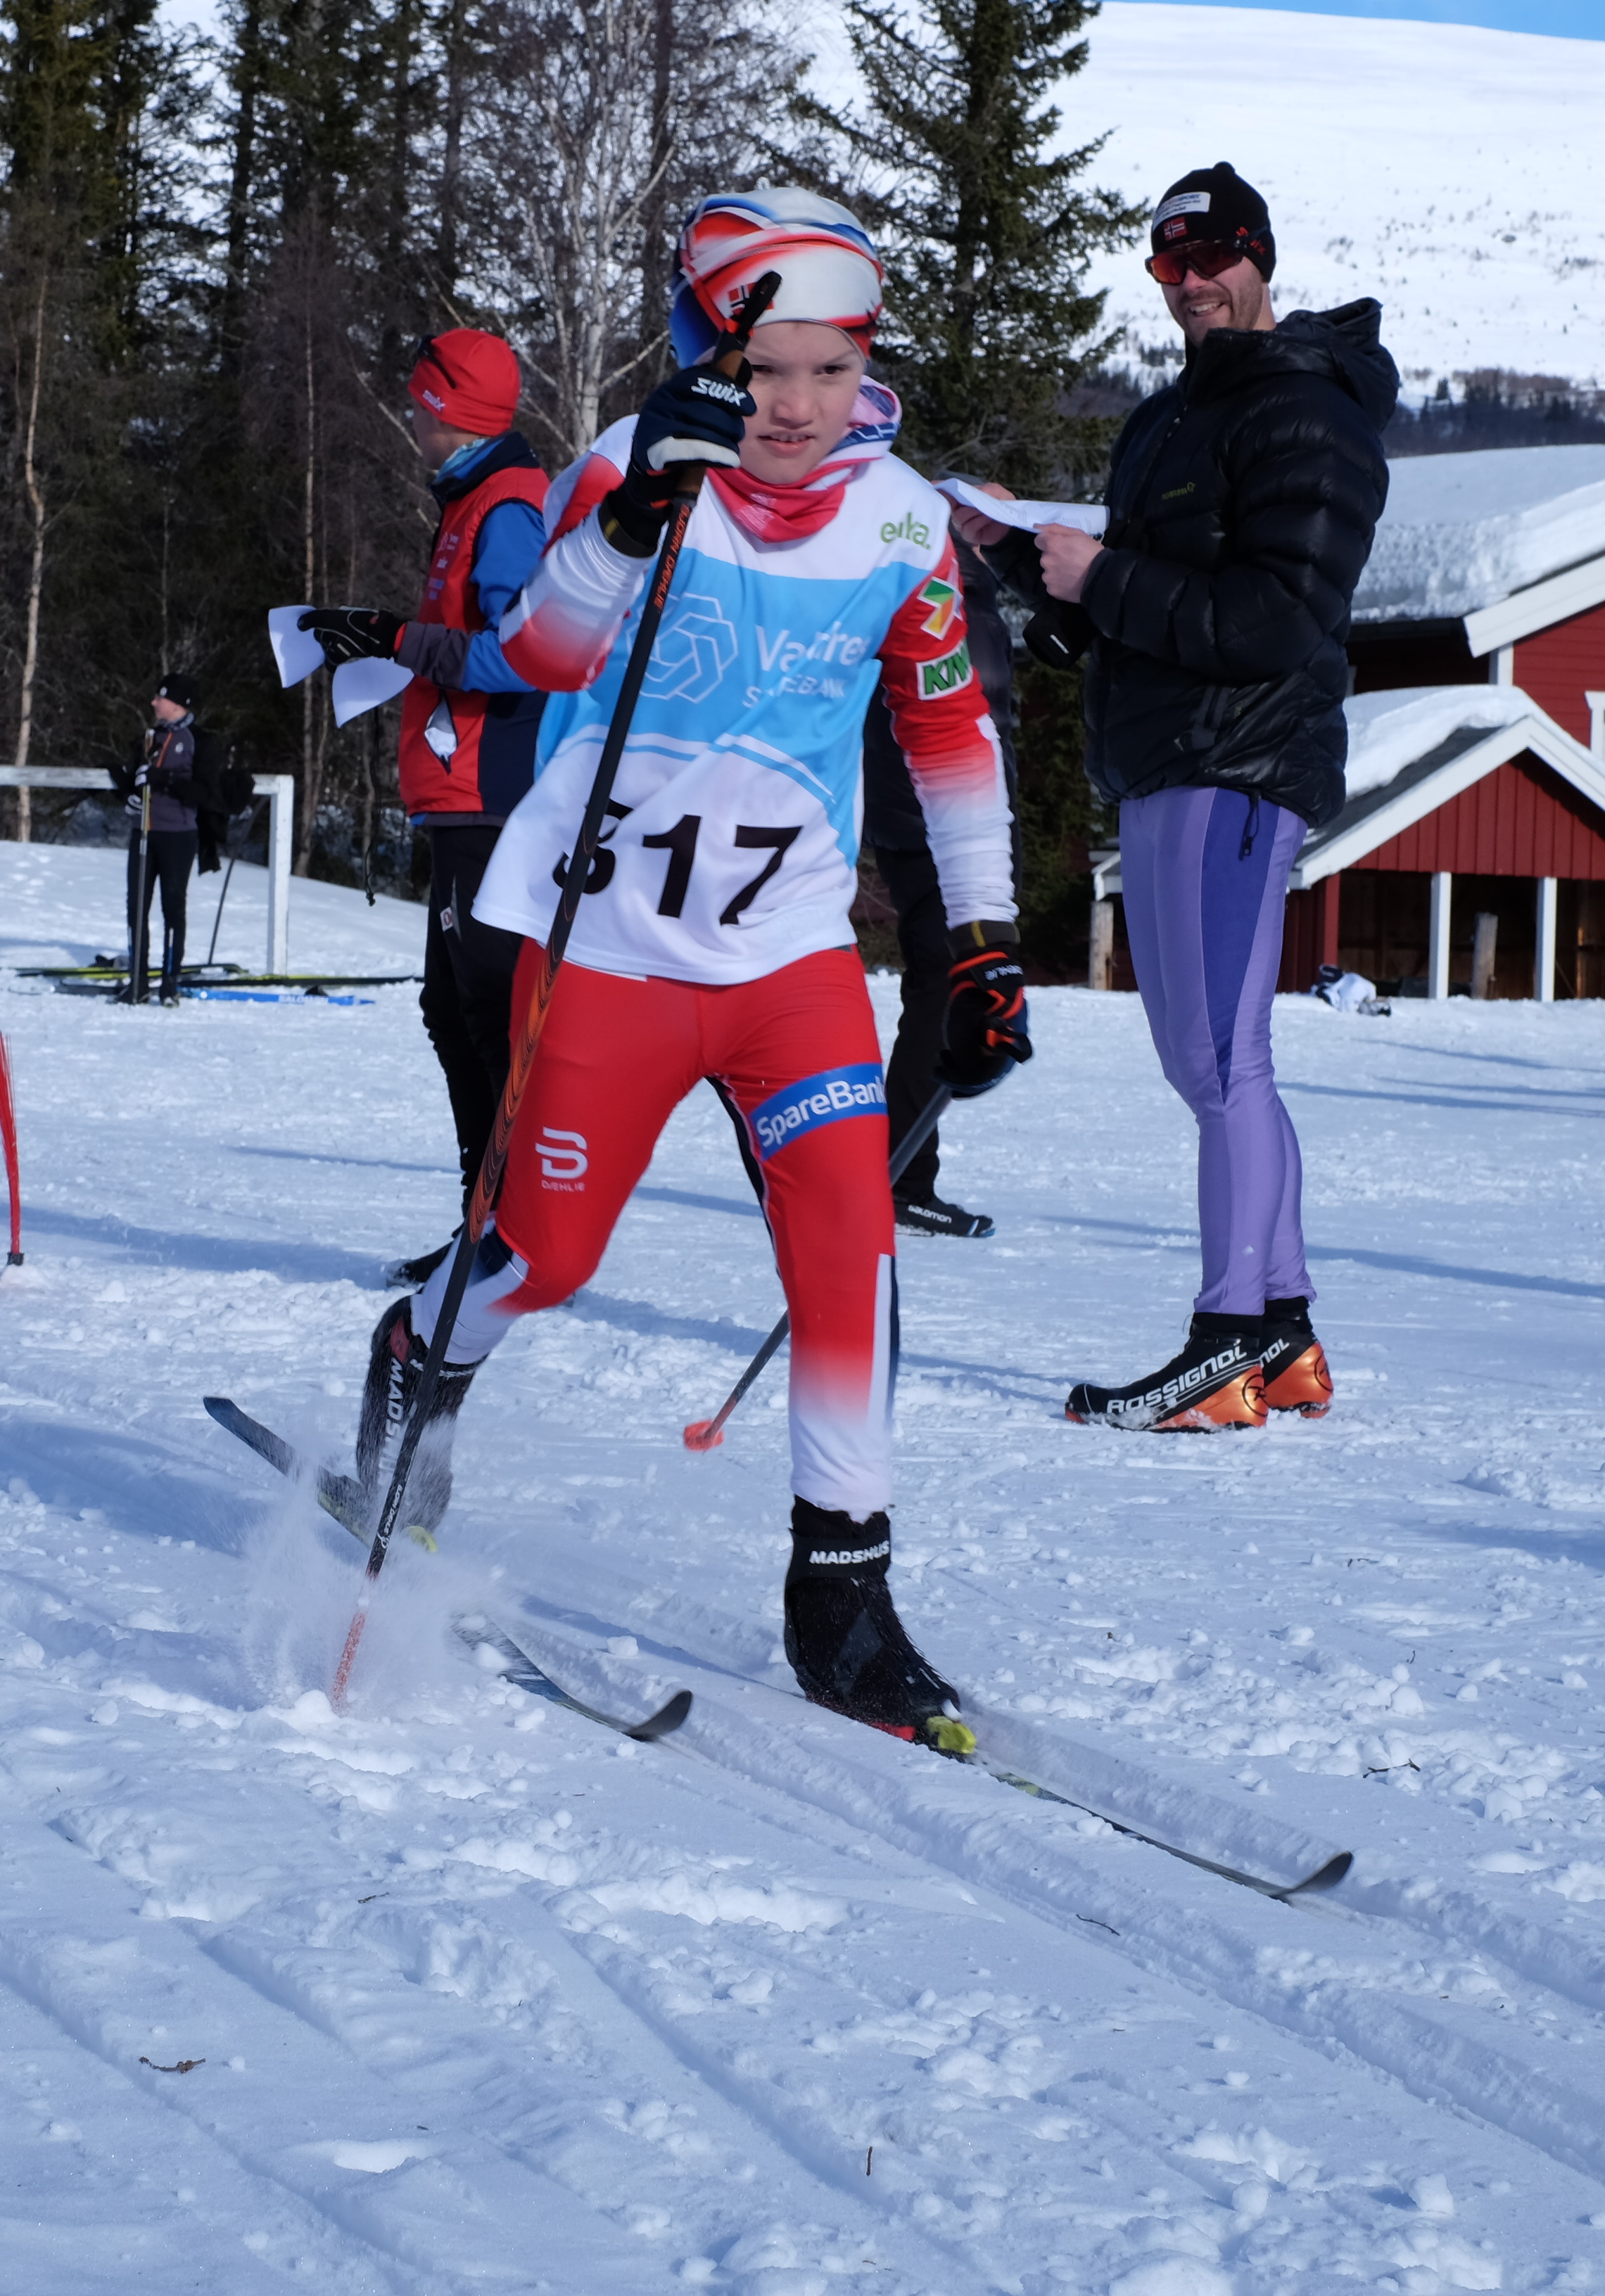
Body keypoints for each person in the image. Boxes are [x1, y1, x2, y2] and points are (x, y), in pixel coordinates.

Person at [354, 187, 1029, 1745]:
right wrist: (628, 522)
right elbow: (541, 653)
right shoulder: (632, 464)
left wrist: (986, 942)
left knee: (850, 1244)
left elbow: (947, 732)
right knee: (546, 1255)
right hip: (611, 952)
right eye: (763, 369)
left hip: (790, 959)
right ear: (703, 353)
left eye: (830, 370)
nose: (796, 405)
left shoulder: (901, 519)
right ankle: (415, 1360)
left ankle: (843, 1597)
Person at [968, 161, 1391, 1430]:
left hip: (1241, 763)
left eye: (1212, 257)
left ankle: (1225, 1342)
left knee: (1218, 1062)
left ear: (1260, 258)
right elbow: (1123, 615)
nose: (1192, 281)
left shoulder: (1310, 414)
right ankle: (1283, 1334)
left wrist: (1102, 579)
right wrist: (1020, 562)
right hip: (1164, 760)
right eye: (1169, 262)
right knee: (1218, 1063)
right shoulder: (1165, 421)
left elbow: (1275, 617)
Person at [298, 328, 551, 1278]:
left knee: (485, 1014)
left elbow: (524, 658)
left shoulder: (507, 507)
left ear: (452, 414)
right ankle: (487, 1225)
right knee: (453, 1010)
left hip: (492, 798)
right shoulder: (468, 501)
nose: (411, 419)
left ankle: (511, 1236)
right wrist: (383, 642)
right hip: (460, 798)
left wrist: (395, 641)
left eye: (419, 405)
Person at [863, 545, 1024, 1231]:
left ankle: (902, 1172)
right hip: (936, 814)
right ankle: (901, 1176)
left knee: (939, 986)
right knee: (943, 987)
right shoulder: (936, 578)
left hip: (941, 810)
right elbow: (960, 698)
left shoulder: (963, 583)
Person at [127, 676, 205, 1005]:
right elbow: (134, 774)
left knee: (172, 906)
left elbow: (203, 790)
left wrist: (165, 779)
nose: (154, 703)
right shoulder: (151, 736)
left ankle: (170, 981)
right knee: (137, 906)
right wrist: (131, 796)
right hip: (144, 832)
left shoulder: (195, 739)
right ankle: (138, 981)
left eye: (160, 698)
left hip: (178, 835)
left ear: (176, 703)